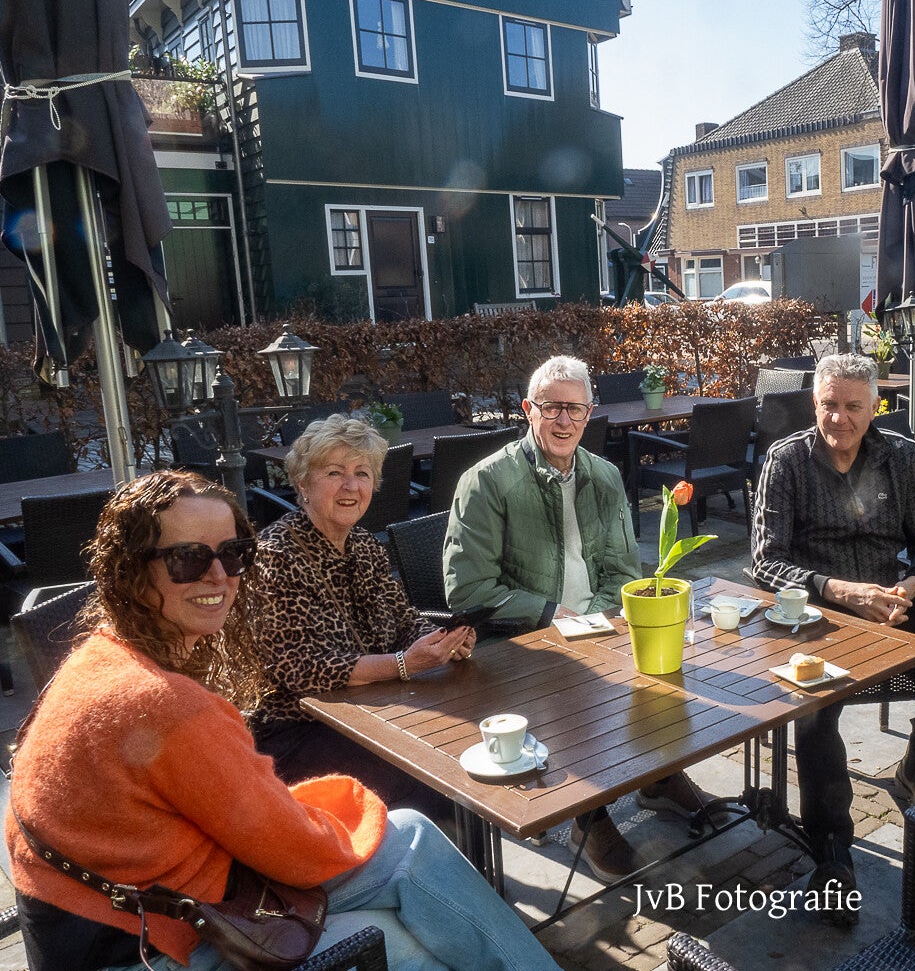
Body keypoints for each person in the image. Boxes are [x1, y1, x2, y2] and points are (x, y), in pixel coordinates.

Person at [4, 470, 561, 971]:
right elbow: (296, 852)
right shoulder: (165, 705)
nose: (218, 575)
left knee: (412, 894)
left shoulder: (97, 659)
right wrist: (353, 803)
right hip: (150, 942)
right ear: (131, 571)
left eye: (234, 554)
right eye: (188, 559)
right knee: (409, 890)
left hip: (118, 915)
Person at [444, 354, 717, 880]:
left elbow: (623, 570)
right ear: (529, 409)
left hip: (596, 626)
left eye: (575, 409)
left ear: (590, 414)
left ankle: (659, 776)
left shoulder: (605, 475)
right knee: (573, 695)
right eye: (551, 407)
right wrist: (553, 613)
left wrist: (598, 620)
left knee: (668, 671)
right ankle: (587, 816)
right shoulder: (487, 481)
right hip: (523, 642)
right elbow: (468, 592)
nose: (564, 420)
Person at [750, 352, 915, 925]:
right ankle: (833, 852)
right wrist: (839, 590)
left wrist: (907, 588)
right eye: (828, 405)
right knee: (814, 713)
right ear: (813, 403)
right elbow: (765, 562)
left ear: (875, 408)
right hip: (821, 616)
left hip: (894, 605)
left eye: (852, 407)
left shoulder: (900, 456)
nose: (839, 418)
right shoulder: (787, 460)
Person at [250, 415, 475, 824]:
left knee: (467, 748)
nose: (351, 486)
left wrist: (442, 640)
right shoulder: (276, 554)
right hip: (298, 729)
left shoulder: (365, 546)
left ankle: (454, 855)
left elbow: (404, 621)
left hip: (372, 711)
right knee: (433, 778)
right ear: (303, 483)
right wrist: (403, 664)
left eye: (362, 473)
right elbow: (301, 669)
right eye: (334, 473)